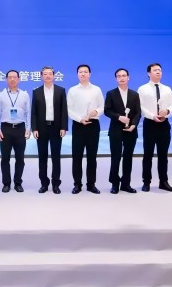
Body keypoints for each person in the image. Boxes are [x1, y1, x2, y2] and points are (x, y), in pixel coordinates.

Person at [137, 63, 172, 192]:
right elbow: (140, 106)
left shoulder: (167, 89)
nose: (158, 72)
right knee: (148, 154)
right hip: (150, 124)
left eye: (160, 70)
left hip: (164, 124)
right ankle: (146, 182)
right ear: (148, 73)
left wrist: (167, 111)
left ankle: (163, 181)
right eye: (155, 70)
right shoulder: (142, 89)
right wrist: (151, 116)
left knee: (163, 155)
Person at [67, 64, 104, 194]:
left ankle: (91, 184)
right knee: (77, 156)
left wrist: (96, 111)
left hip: (93, 125)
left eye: (85, 72)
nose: (83, 74)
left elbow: (102, 106)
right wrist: (80, 119)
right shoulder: (72, 90)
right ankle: (77, 184)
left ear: (90, 74)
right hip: (78, 125)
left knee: (92, 157)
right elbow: (69, 109)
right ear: (77, 74)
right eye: (80, 72)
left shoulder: (96, 89)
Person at [31, 66, 68, 194]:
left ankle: (56, 184)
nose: (47, 76)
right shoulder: (36, 92)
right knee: (42, 157)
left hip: (56, 128)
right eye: (45, 74)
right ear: (41, 76)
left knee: (56, 157)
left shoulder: (60, 90)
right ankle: (44, 184)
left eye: (50, 74)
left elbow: (64, 110)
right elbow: (34, 112)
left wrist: (63, 127)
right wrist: (34, 128)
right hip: (41, 128)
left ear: (54, 76)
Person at [104, 68, 141, 194]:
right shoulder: (111, 93)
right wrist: (119, 117)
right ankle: (114, 183)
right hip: (116, 130)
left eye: (124, 75)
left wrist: (134, 124)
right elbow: (107, 110)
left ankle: (126, 184)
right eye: (119, 76)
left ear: (128, 78)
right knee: (115, 157)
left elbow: (138, 112)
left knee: (128, 158)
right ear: (116, 79)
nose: (121, 78)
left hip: (131, 130)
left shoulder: (134, 94)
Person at [0, 70, 31, 193]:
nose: (12, 79)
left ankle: (18, 183)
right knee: (5, 159)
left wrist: (28, 128)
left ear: (19, 79)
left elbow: (28, 114)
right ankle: (6, 183)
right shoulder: (1, 95)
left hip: (20, 129)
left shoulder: (25, 95)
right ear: (6, 79)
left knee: (20, 158)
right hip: (5, 129)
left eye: (15, 77)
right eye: (10, 77)